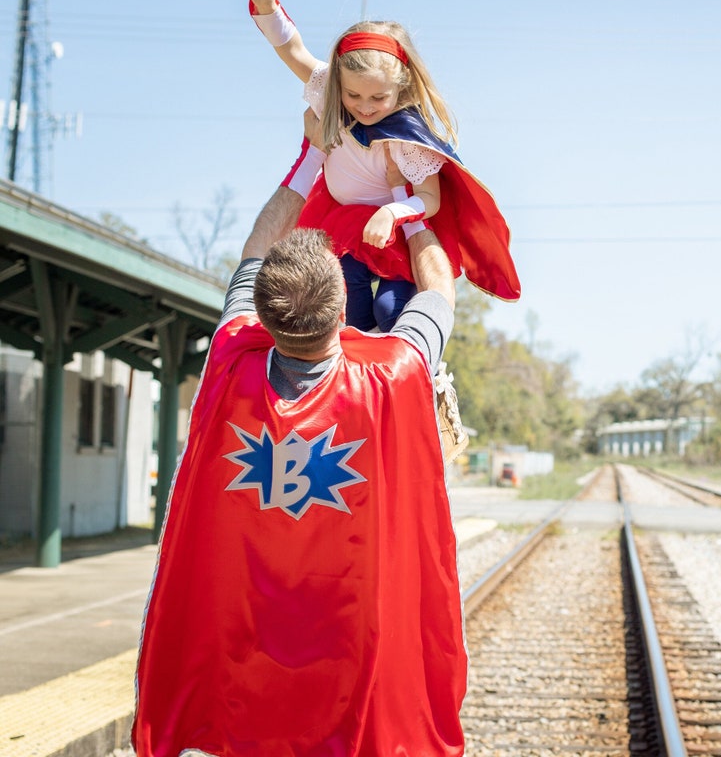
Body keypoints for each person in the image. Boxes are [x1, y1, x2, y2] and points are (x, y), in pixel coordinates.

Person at [130, 114, 468, 757]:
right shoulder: (393, 373)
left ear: (262, 313)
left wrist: (312, 157)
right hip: (351, 659)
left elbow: (254, 251)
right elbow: (438, 291)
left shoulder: (229, 360)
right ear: (344, 310)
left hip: (247, 665)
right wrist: (408, 204)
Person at [247, 0, 520, 332]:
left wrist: (392, 212)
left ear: (401, 88)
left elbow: (430, 198)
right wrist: (268, 11)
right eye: (354, 95)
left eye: (378, 98)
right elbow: (293, 51)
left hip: (397, 231)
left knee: (390, 310)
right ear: (339, 83)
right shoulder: (329, 93)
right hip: (342, 223)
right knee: (348, 312)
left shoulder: (409, 136)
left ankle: (418, 357)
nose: (364, 107)